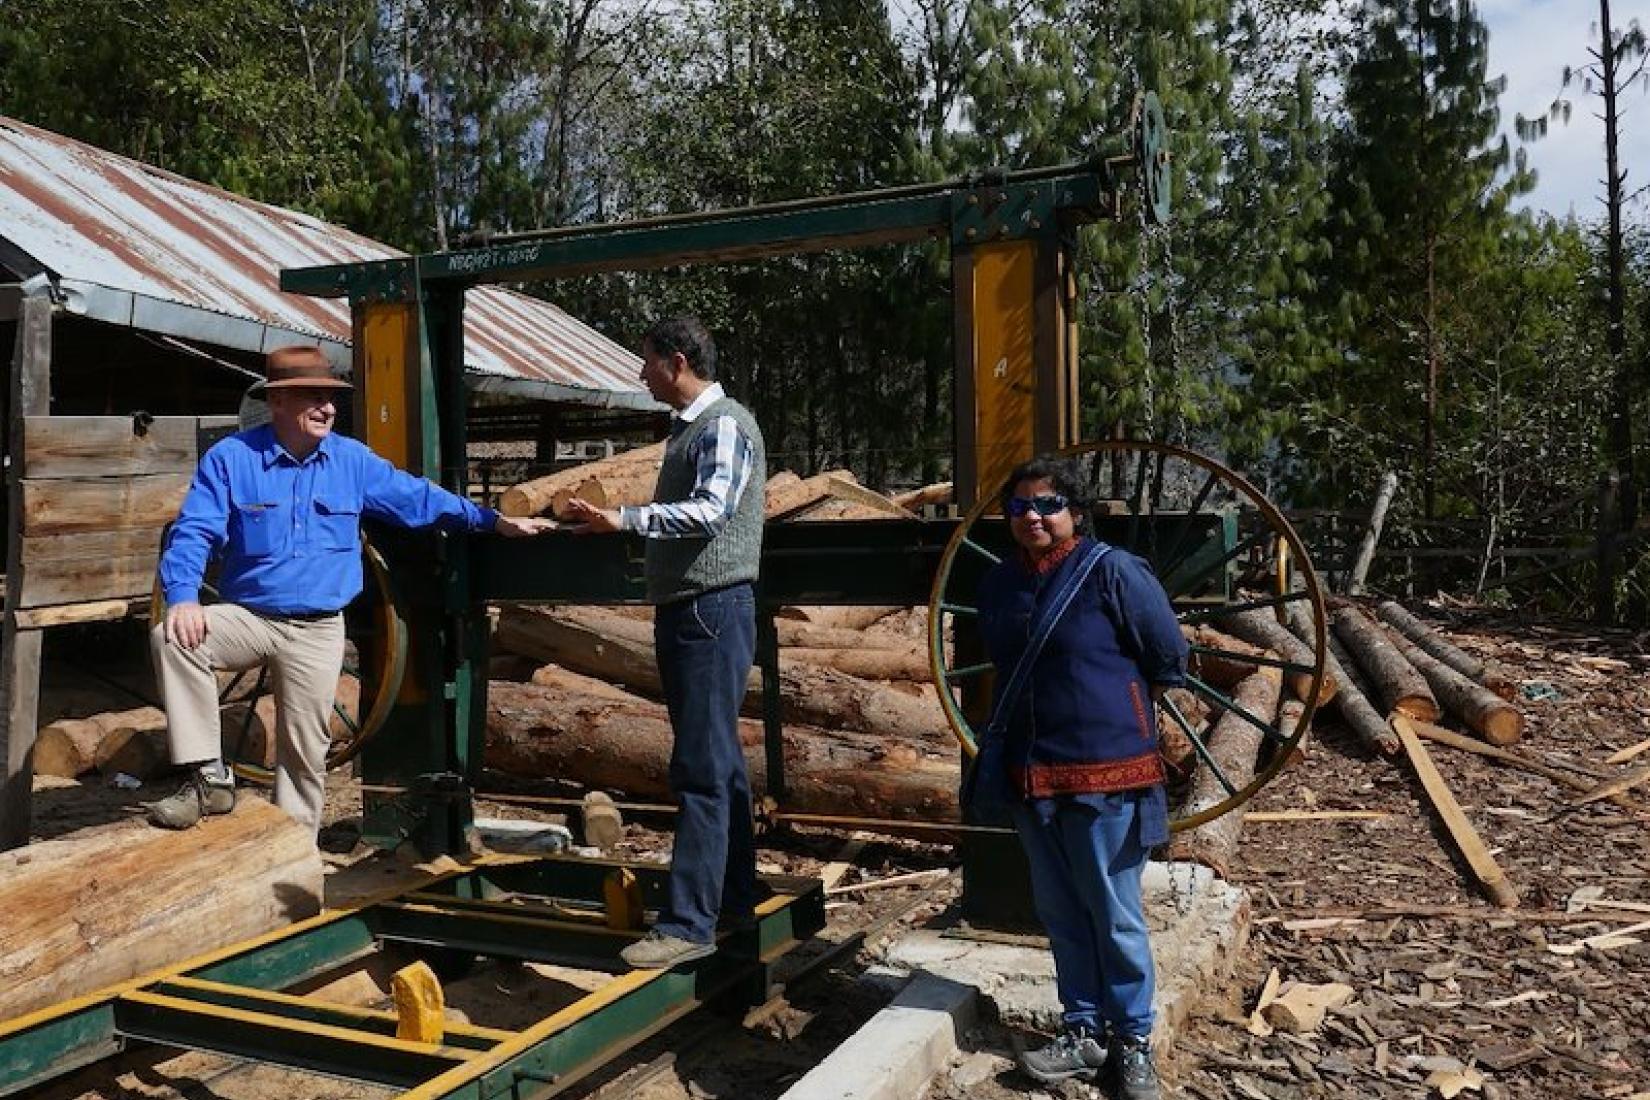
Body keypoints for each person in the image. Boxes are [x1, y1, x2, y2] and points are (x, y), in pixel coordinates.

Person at [148, 345, 552, 834]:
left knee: (304, 754)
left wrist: (490, 521)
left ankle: (293, 858)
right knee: (174, 637)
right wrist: (185, 595)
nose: (328, 408)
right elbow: (194, 531)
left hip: (318, 629)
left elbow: (417, 498)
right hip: (251, 618)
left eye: (331, 398)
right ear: (277, 403)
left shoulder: (351, 462)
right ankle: (209, 778)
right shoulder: (231, 460)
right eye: (313, 397)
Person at [973, 456, 1187, 1099]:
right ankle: (1083, 1029)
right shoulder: (1002, 585)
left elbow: (1168, 655)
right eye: (1018, 508)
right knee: (1061, 910)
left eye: (1046, 505)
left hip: (1107, 772)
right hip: (1034, 776)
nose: (1032, 517)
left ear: (1075, 511)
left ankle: (1133, 1043)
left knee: (1116, 913)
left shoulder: (1113, 572)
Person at [564, 316, 765, 969]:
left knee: (702, 770)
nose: (640, 375)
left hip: (709, 610)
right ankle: (733, 896)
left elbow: (712, 509)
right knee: (720, 764)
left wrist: (626, 519)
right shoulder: (693, 429)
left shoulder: (723, 425)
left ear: (675, 362)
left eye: (646, 362)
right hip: (696, 610)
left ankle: (688, 927)